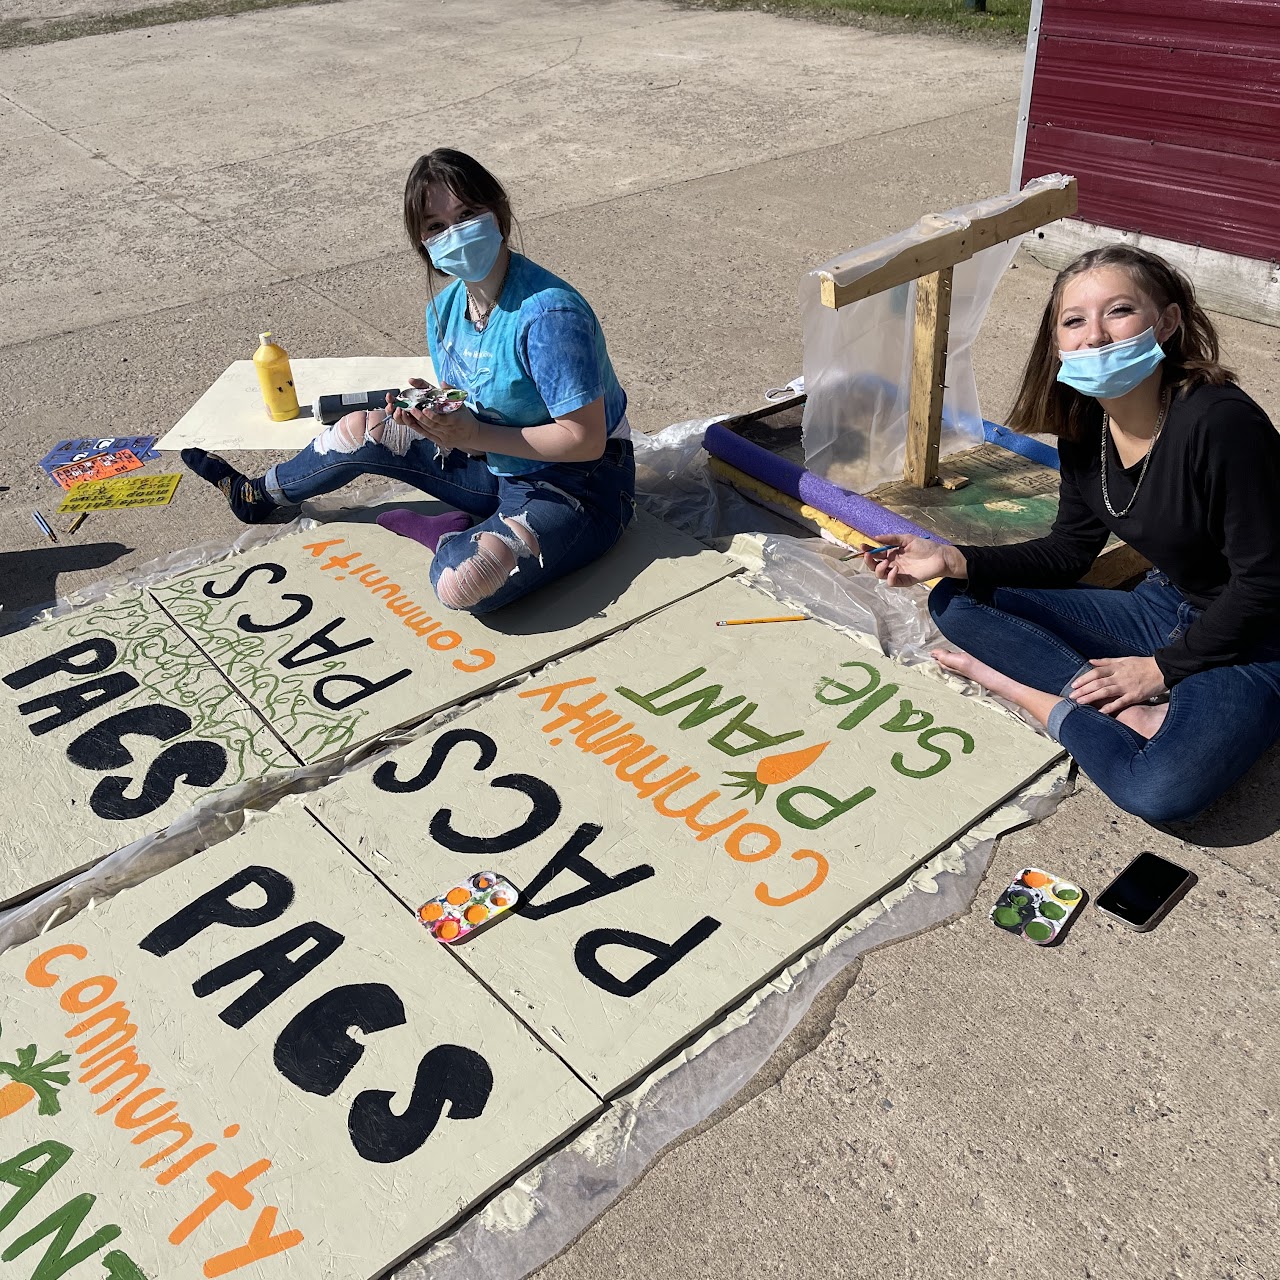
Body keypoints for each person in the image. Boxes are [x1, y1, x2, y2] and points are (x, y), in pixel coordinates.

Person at [865, 245, 1280, 824]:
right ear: (1056, 342)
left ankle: (1031, 693)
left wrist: (1160, 669)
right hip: (1167, 603)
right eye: (1074, 320)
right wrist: (951, 557)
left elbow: (1266, 582)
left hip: (1258, 639)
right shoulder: (1086, 425)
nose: (1096, 337)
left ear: (1166, 322)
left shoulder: (1220, 421)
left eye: (1119, 311)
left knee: (1161, 792)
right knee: (955, 600)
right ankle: (1113, 705)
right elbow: (1069, 552)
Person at [183, 148, 635, 614]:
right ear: (423, 242)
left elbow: (585, 441)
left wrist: (475, 434)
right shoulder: (443, 310)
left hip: (580, 485)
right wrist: (438, 417)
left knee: (463, 582)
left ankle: (445, 531)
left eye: (466, 214)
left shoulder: (549, 315)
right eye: (436, 226)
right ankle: (261, 495)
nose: (454, 234)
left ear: (498, 211)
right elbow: (482, 405)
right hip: (497, 464)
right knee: (361, 431)